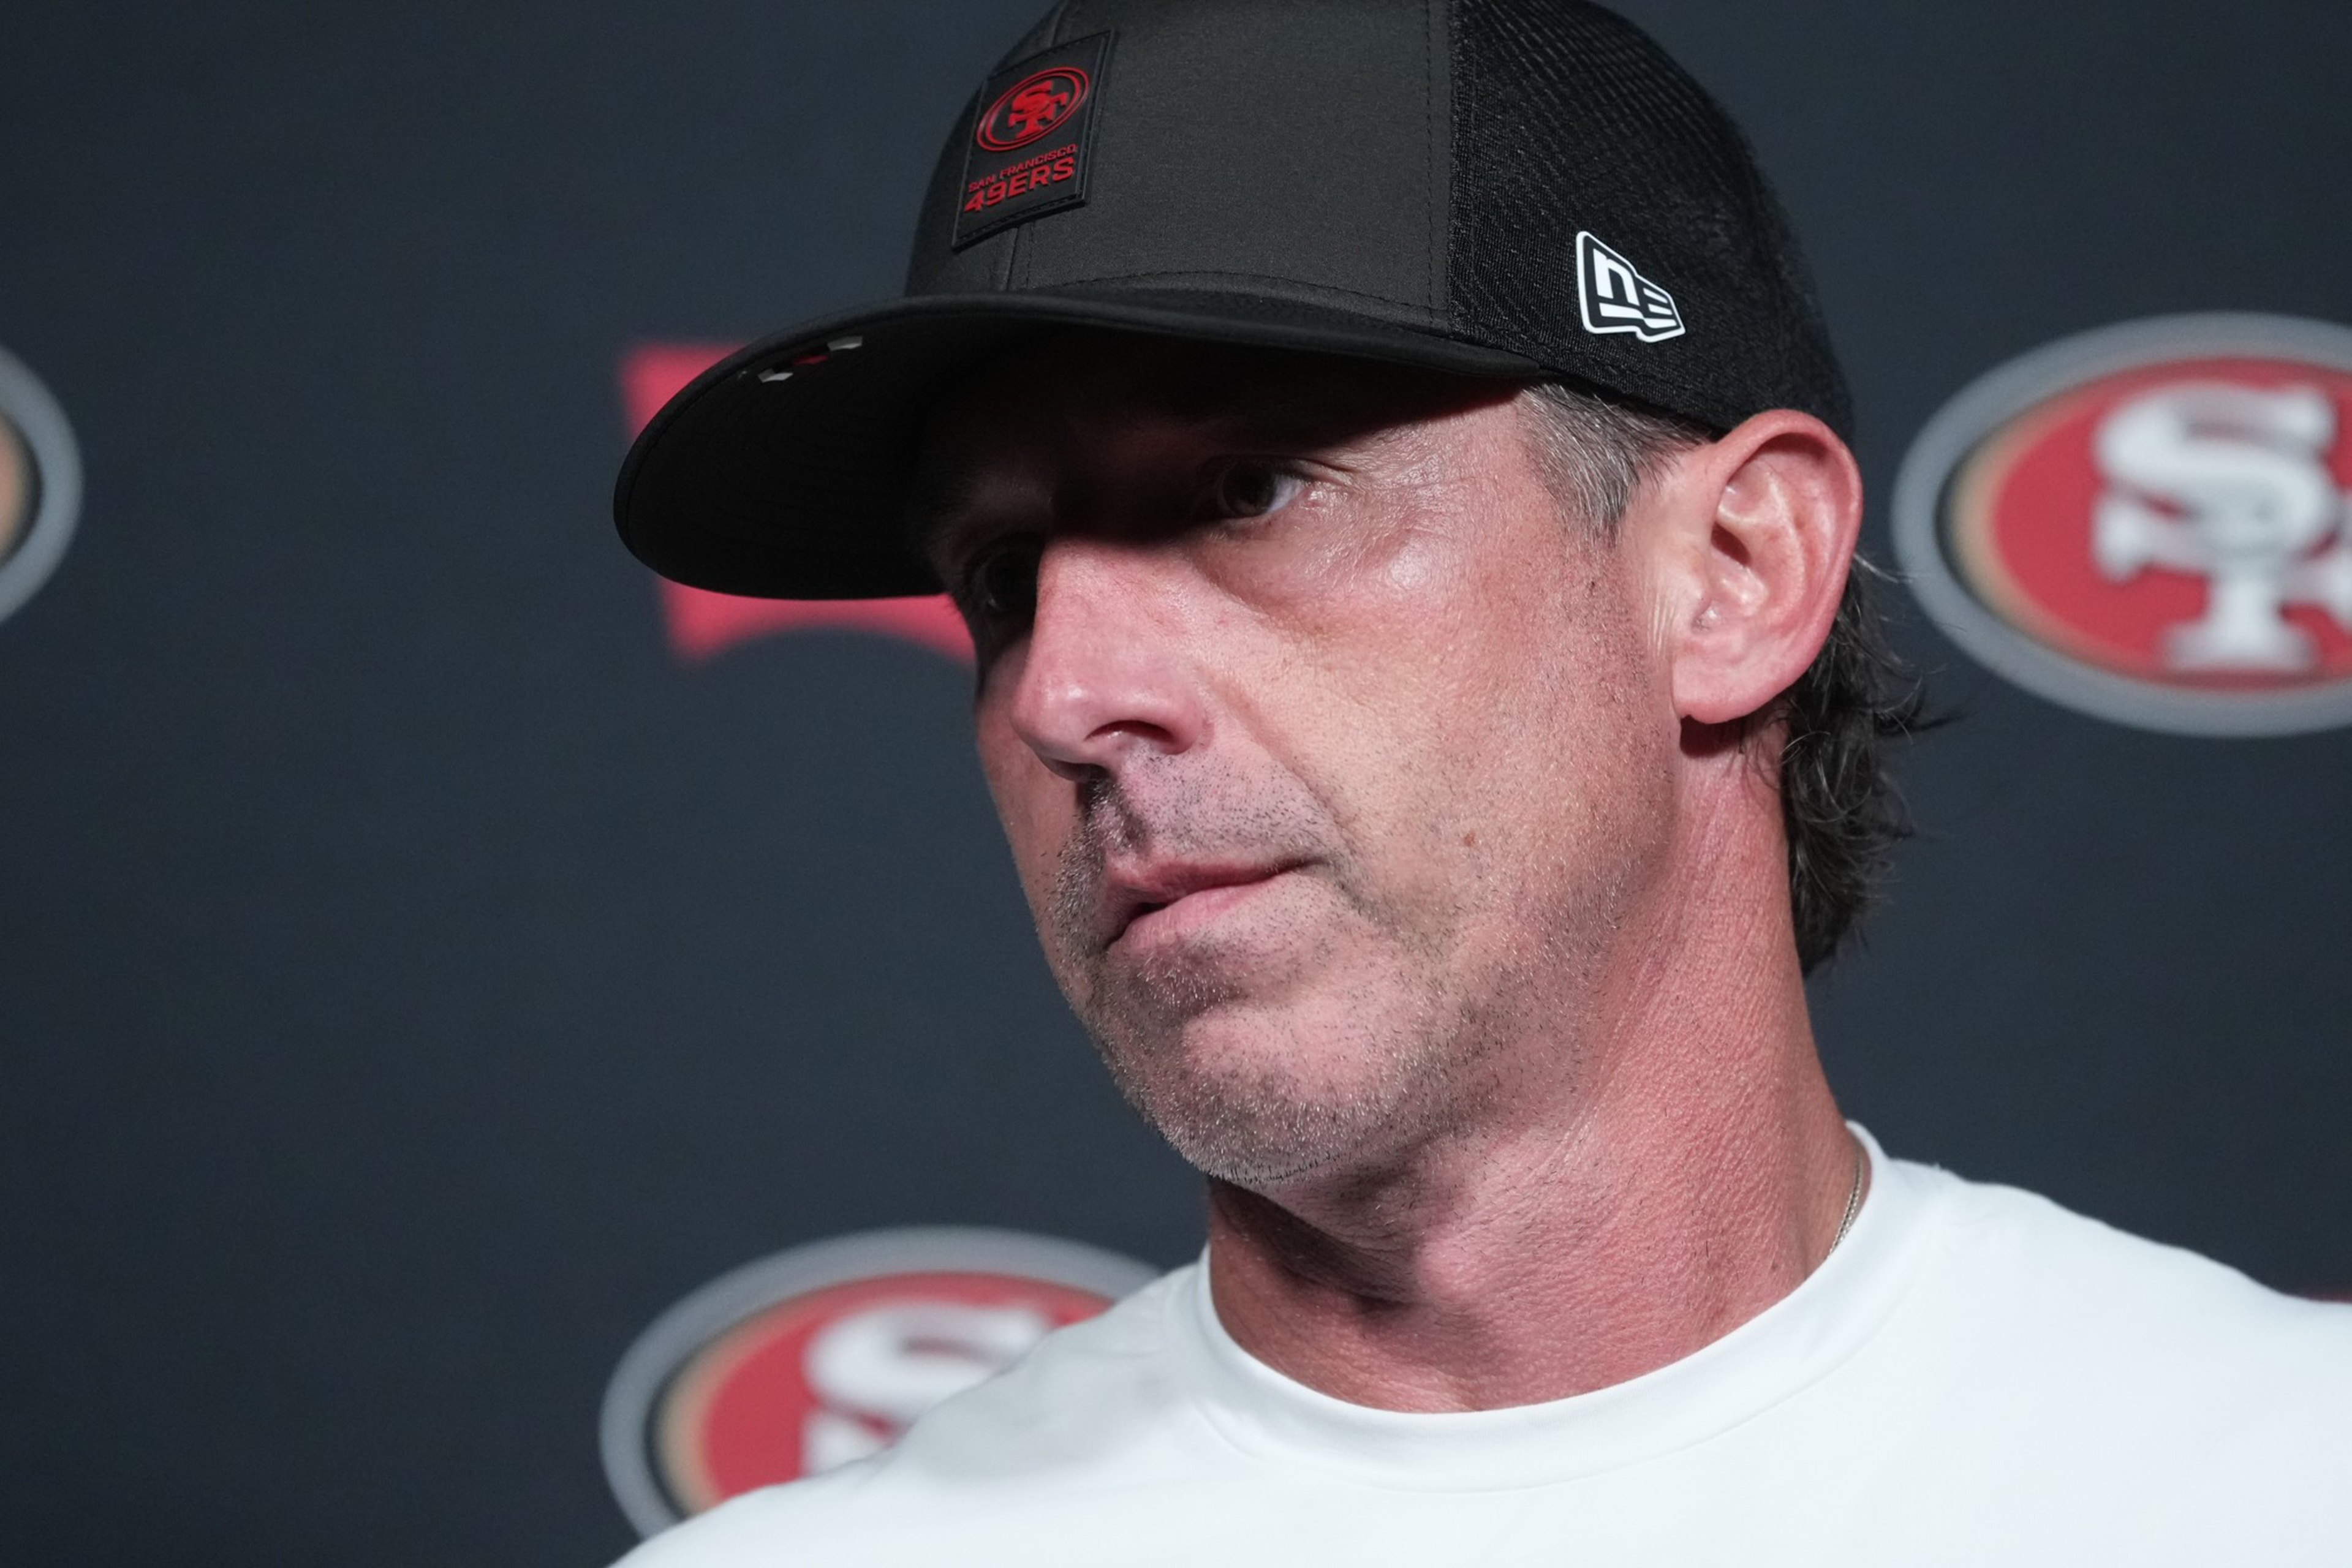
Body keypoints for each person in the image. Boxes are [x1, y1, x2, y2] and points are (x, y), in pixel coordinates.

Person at [611, 1, 2352, 1561]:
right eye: (997, 576)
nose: (1064, 694)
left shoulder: (2280, 1484)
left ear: (1734, 569)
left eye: (1248, 494)